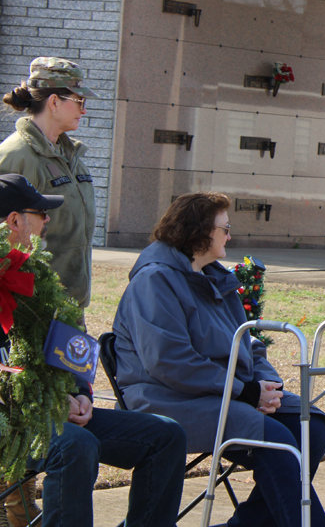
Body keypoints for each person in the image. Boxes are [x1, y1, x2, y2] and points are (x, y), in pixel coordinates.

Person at [111, 192, 325, 527]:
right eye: (224, 228)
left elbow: (249, 342)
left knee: (313, 429)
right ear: (198, 232)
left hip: (223, 394)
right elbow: (169, 361)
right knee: (276, 441)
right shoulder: (154, 280)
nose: (230, 236)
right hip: (167, 400)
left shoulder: (214, 277)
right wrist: (245, 391)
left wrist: (267, 385)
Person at [0, 173, 187, 527]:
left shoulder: (37, 278)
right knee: (75, 446)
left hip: (50, 411)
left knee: (166, 435)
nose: (48, 219)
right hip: (10, 420)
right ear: (14, 220)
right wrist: (49, 402)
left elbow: (68, 347)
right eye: (40, 212)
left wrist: (80, 392)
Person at [0, 57, 100, 320]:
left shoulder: (72, 155)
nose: (84, 110)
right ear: (54, 102)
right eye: (80, 101)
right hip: (29, 312)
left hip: (67, 307)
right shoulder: (15, 156)